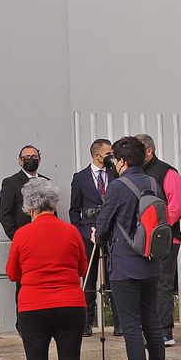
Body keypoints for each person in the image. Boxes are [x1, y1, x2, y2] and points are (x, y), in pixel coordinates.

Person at [5, 176, 90, 360]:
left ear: (30, 208)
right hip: (71, 305)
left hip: (34, 308)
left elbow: (12, 273)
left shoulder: (22, 234)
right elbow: (82, 268)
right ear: (53, 204)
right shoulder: (72, 231)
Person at [95, 136, 168, 360]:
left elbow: (103, 226)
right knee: (153, 326)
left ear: (122, 161)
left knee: (131, 328)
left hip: (125, 265)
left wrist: (96, 232)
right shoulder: (152, 183)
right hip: (151, 262)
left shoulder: (116, 187)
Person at [136, 133, 181, 346]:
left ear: (149, 151)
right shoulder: (136, 173)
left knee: (162, 284)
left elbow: (176, 207)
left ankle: (165, 332)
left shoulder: (167, 172)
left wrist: (157, 229)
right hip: (140, 241)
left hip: (164, 240)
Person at [68, 138, 112, 332]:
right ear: (97, 155)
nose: (111, 157)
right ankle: (86, 322)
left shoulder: (115, 174)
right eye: (108, 153)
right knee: (89, 277)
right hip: (89, 234)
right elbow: (74, 210)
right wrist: (84, 232)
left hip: (111, 233)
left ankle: (118, 322)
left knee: (113, 277)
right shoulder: (80, 178)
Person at [0, 144, 46, 242]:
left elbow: (53, 212)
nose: (31, 159)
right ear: (20, 161)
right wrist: (17, 237)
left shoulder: (46, 182)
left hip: (45, 238)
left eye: (34, 157)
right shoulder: (11, 182)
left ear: (39, 160)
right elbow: (5, 214)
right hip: (24, 239)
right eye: (27, 157)